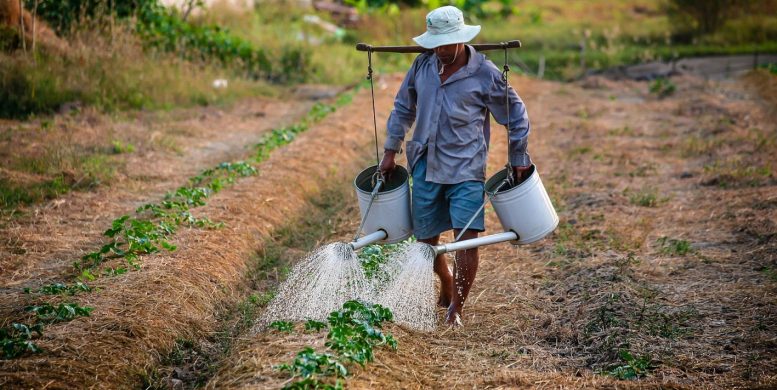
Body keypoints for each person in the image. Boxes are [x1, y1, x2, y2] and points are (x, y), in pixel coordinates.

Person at [378, 5, 532, 327]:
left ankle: (455, 310)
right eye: (436, 44)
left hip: (466, 168)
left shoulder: (485, 74)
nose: (441, 50)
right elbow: (402, 108)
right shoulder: (422, 66)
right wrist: (390, 150)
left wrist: (518, 158)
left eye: (447, 44)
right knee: (426, 241)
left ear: (462, 40)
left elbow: (516, 116)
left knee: (467, 237)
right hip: (425, 163)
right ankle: (446, 280)